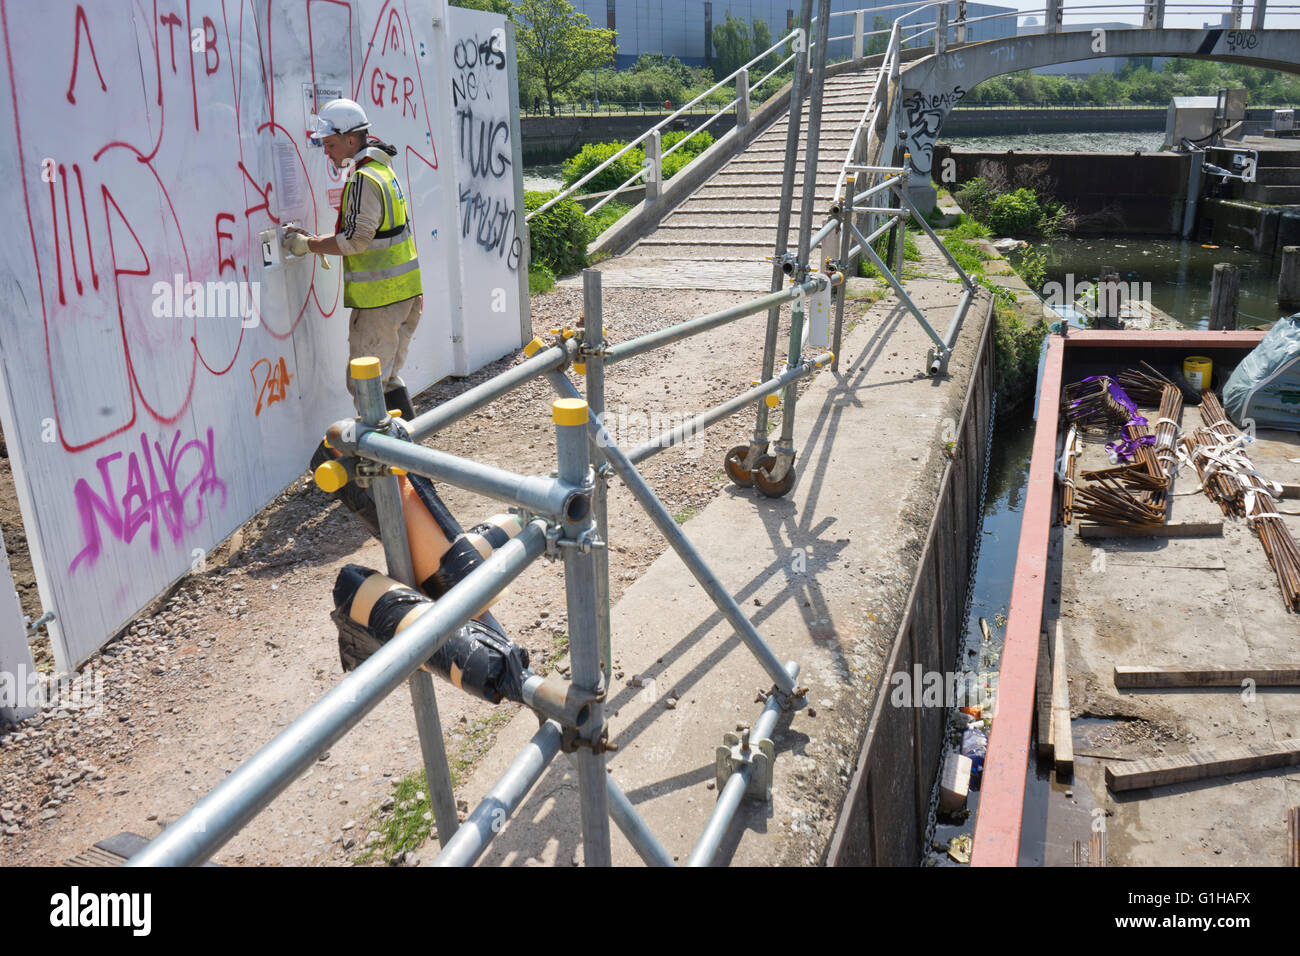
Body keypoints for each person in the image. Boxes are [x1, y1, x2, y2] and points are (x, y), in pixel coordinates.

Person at [284, 97, 421, 419]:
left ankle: (385, 466)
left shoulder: (363, 179)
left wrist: (308, 245)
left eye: (329, 144)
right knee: (385, 382)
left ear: (350, 139)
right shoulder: (382, 171)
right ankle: (413, 466)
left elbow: (358, 240)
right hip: (405, 294)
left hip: (379, 302)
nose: (326, 151)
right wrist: (315, 241)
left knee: (366, 386)